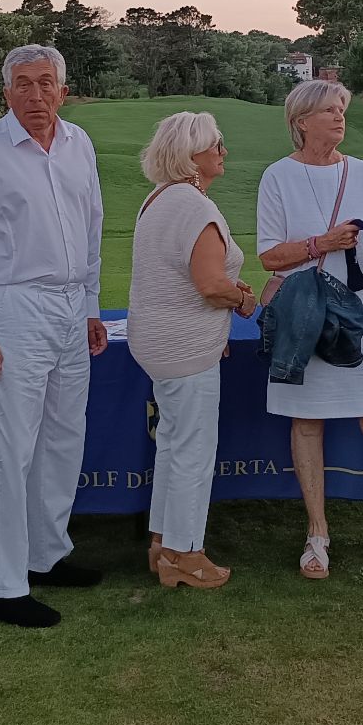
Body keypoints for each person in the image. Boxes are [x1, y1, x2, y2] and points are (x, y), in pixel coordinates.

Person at [0, 45, 107, 629]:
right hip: (13, 307)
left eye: (46, 83)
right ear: (6, 92)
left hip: (70, 305)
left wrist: (90, 304)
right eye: (23, 83)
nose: (35, 95)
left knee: (63, 436)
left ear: (63, 91)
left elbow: (91, 226)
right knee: (9, 448)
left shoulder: (79, 144)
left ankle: (46, 552)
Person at [256, 79, 363, 582]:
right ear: (301, 121)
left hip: (361, 313)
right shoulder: (278, 176)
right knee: (306, 423)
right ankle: (317, 534)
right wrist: (322, 243)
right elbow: (269, 256)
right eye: (329, 110)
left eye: (341, 109)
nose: (340, 117)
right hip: (306, 316)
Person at [128, 112, 255, 590]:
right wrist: (241, 299)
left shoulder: (160, 198)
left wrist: (226, 290)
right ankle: (185, 554)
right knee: (192, 451)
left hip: (162, 343)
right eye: (216, 144)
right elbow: (209, 285)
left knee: (174, 444)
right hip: (185, 347)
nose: (224, 151)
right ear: (192, 154)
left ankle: (164, 543)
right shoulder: (193, 206)